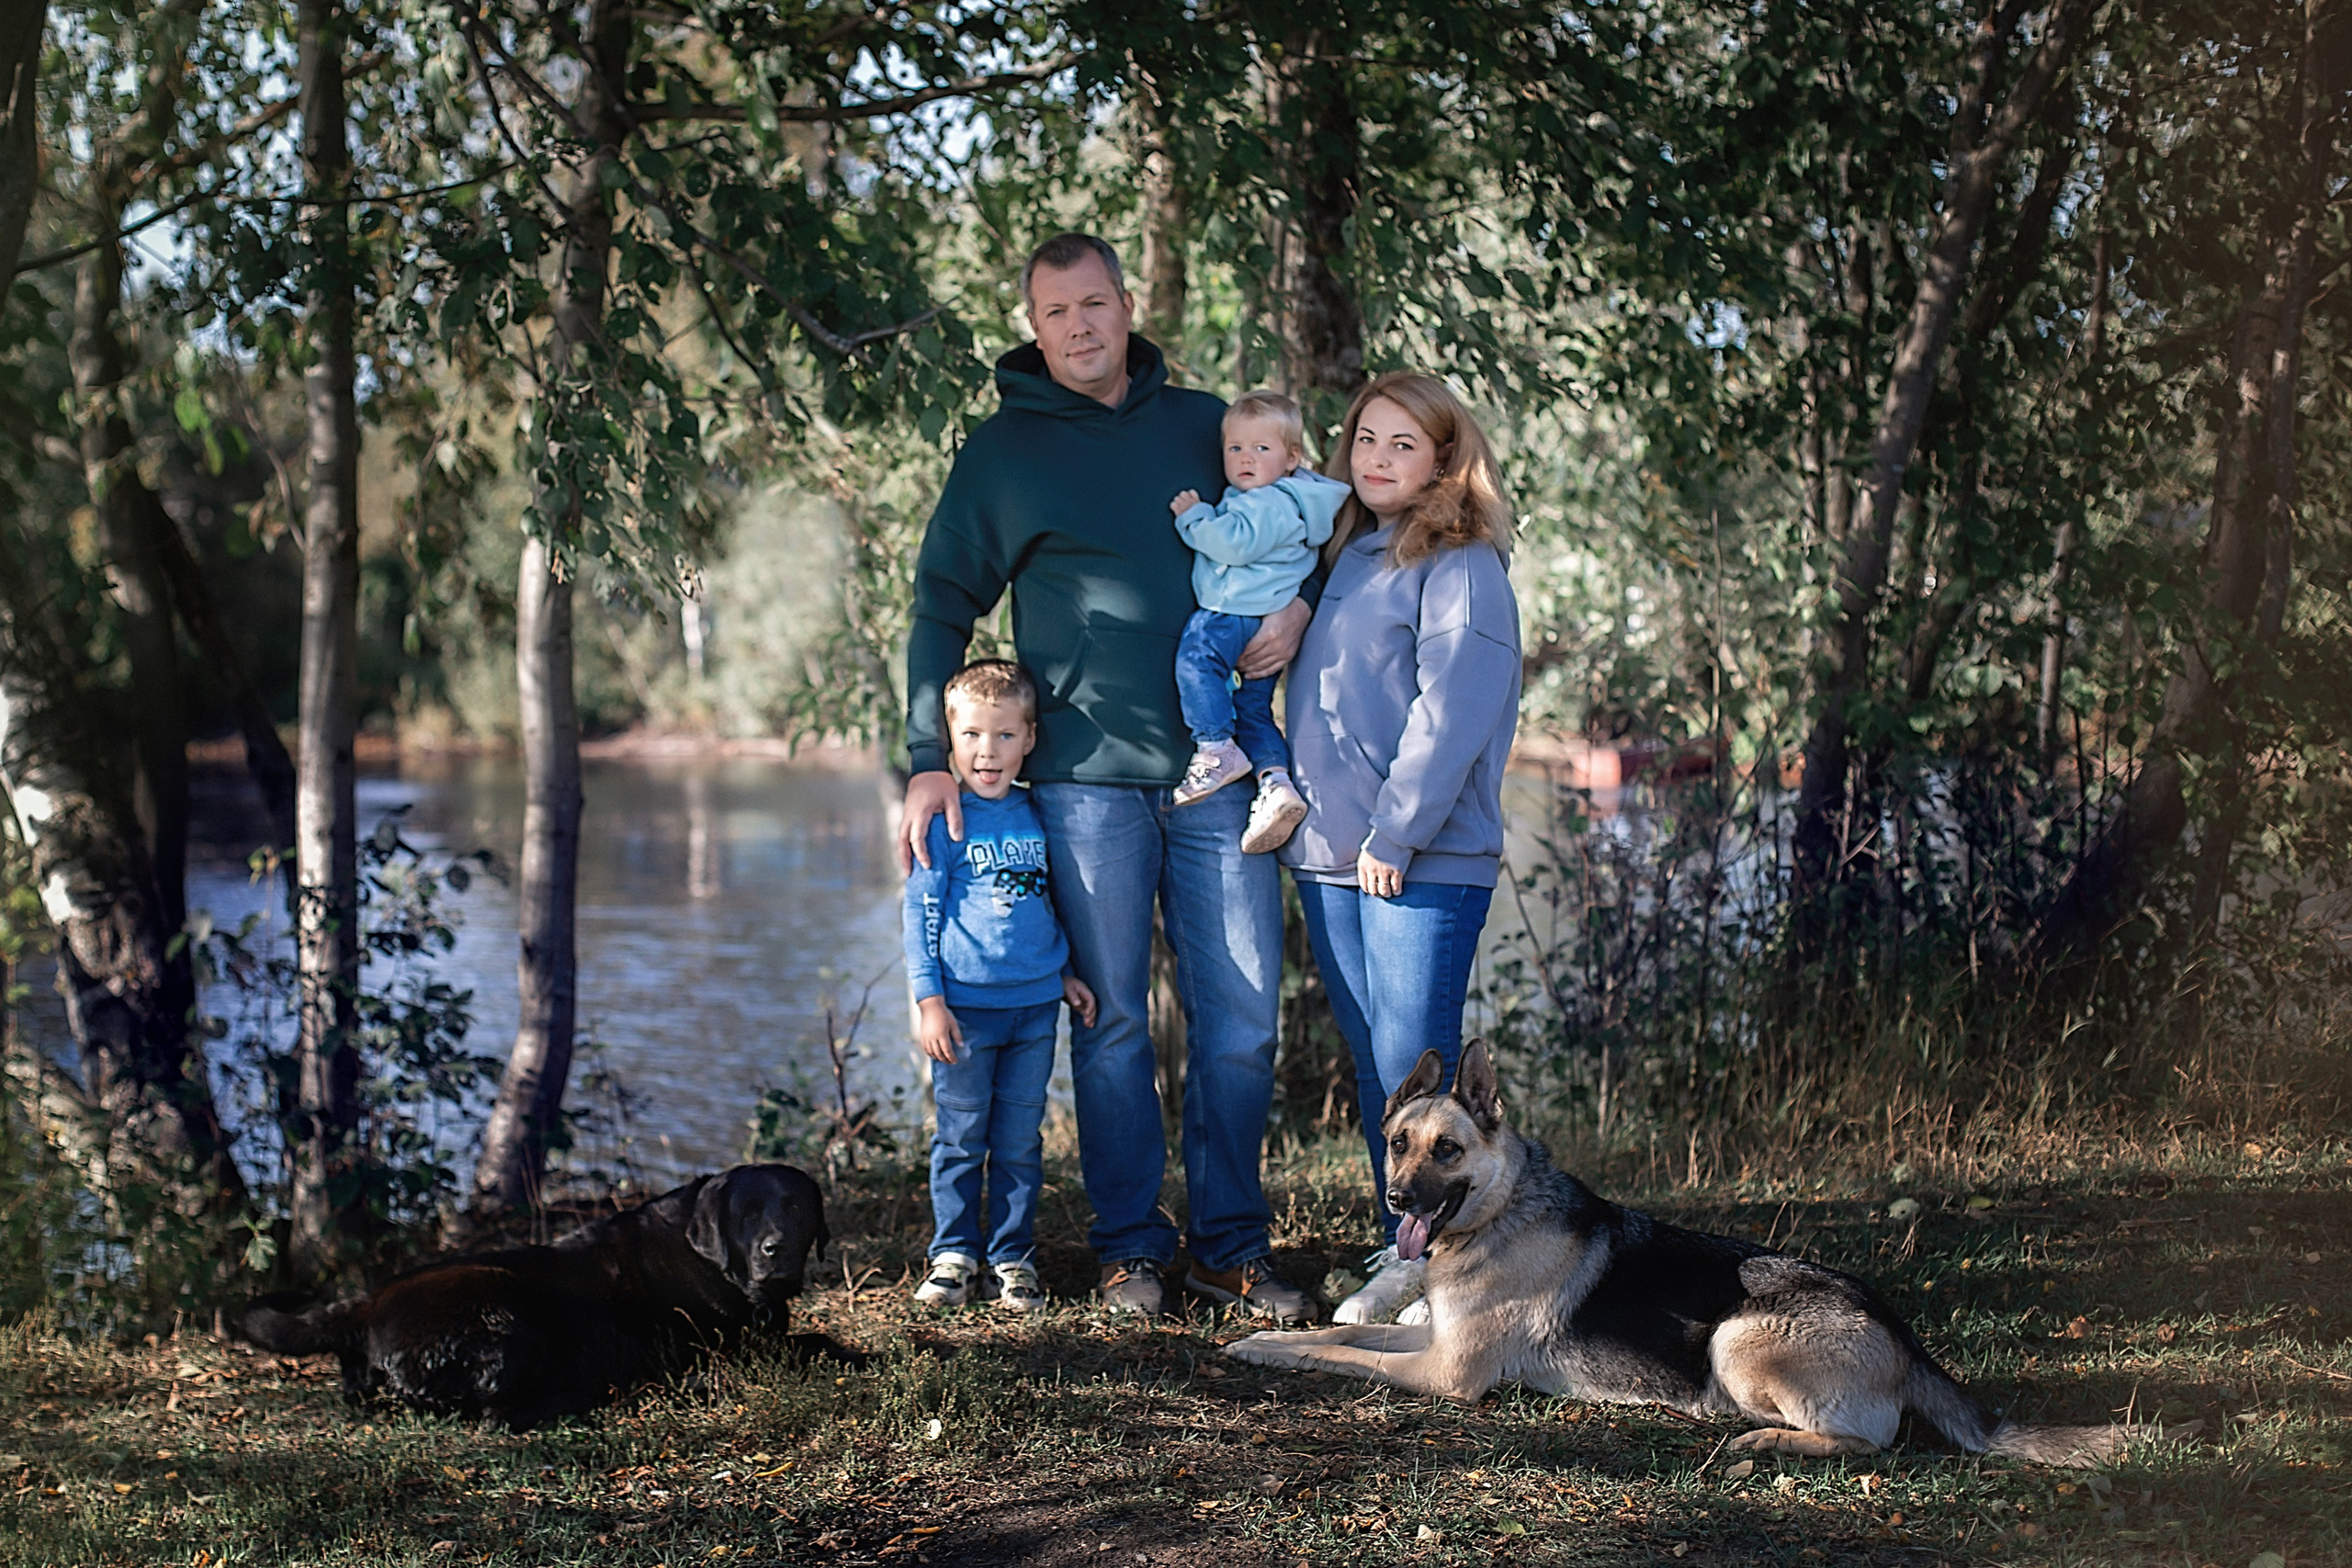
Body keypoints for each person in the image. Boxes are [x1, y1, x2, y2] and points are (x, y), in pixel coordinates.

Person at [898, 232, 1318, 1323]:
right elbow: (942, 599)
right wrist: (923, 759)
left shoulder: (1204, 424)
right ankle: (1132, 1250)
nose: (1080, 327)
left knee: (1242, 1019)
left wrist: (1298, 604)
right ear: (1032, 328)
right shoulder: (1003, 454)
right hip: (1081, 785)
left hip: (1217, 771)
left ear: (1127, 304)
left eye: (1096, 303)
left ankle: (1230, 1248)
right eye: (1055, 313)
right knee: (1114, 1022)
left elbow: (1305, 525)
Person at [1279, 372, 1522, 1326]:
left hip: (1415, 857)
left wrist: (1399, 829)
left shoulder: (1460, 561)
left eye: (1401, 445)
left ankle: (1430, 1277)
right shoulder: (1349, 551)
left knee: (1414, 1078)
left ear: (1445, 459)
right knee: (1387, 1087)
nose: (1376, 459)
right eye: (1365, 440)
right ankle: (1407, 1252)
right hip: (1334, 856)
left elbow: (1452, 707)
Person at [903, 661, 1098, 1313]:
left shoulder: (1039, 814)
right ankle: (953, 1254)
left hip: (1034, 1010)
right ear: (950, 739)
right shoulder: (945, 817)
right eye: (973, 736)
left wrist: (1064, 972)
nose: (988, 752)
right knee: (960, 1137)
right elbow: (920, 912)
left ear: (1031, 739)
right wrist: (929, 999)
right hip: (964, 1012)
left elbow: (1046, 903)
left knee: (1019, 1140)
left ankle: (1012, 1257)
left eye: (1005, 736)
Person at [1168, 389, 1351, 855]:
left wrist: (1194, 518)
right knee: (1252, 708)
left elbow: (1234, 545)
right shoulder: (1296, 500)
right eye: (1235, 449)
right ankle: (1275, 784)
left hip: (1234, 612)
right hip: (1264, 615)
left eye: (1261, 449)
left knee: (1196, 660)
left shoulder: (1268, 503)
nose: (1245, 459)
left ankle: (1215, 748)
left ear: (1291, 458)